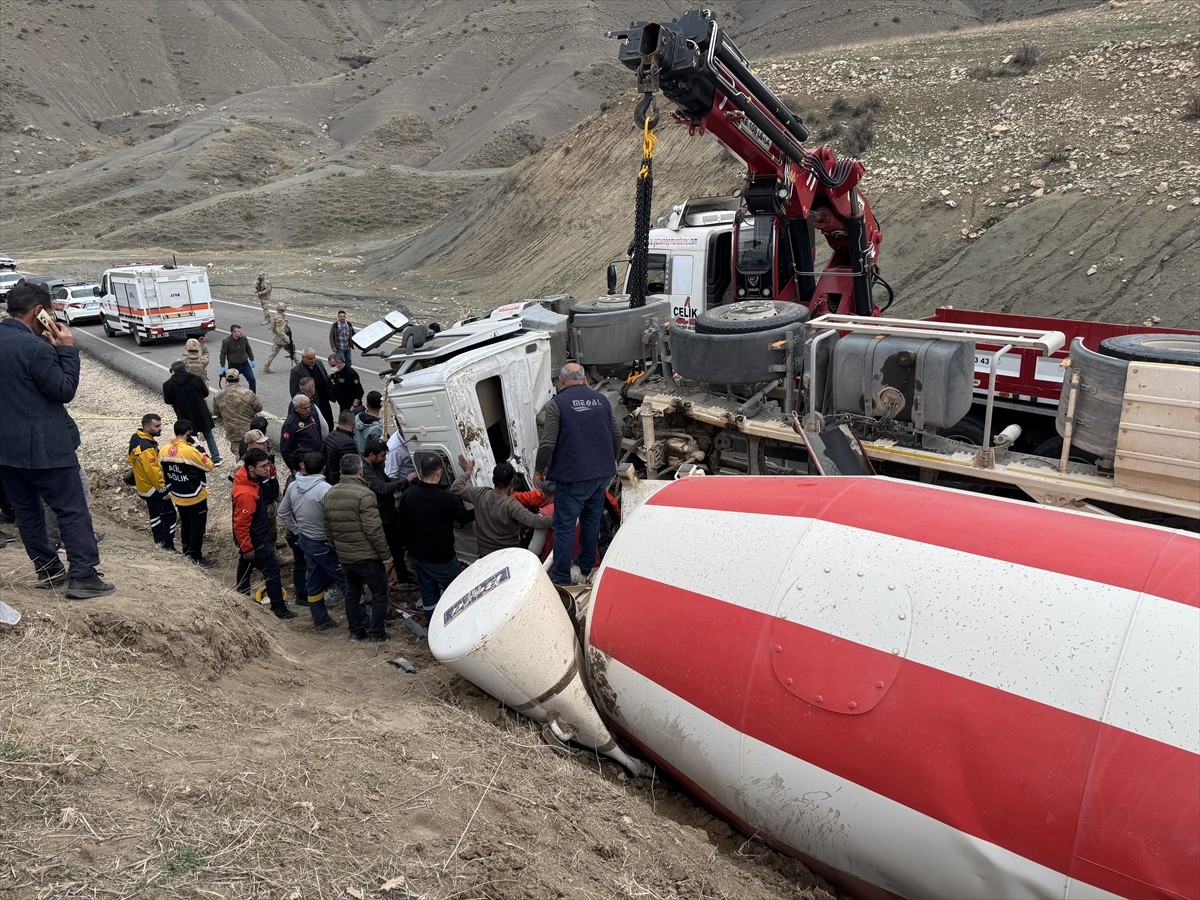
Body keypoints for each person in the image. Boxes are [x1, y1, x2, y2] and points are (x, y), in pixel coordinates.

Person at [0, 280, 113, 598]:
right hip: (46, 448)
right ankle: (83, 575)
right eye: (49, 313)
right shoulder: (36, 349)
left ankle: (48, 571)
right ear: (39, 312)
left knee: (27, 513)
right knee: (71, 508)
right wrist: (65, 350)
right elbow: (64, 389)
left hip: (5, 451)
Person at [534, 363, 622, 587]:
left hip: (573, 478)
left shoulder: (558, 404)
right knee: (591, 520)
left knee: (564, 526)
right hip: (601, 476)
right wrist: (613, 458)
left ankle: (561, 577)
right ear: (583, 379)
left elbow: (547, 443)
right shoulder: (601, 400)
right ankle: (584, 566)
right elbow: (617, 433)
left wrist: (538, 469)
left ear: (562, 381)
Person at [324, 454, 391, 641]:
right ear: (360, 471)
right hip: (367, 557)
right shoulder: (365, 495)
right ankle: (377, 633)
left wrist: (336, 547)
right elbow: (374, 530)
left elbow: (327, 527)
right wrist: (386, 555)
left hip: (345, 557)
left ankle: (355, 631)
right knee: (379, 594)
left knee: (352, 594)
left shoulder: (329, 493)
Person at [398, 454, 473, 622]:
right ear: (439, 473)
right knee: (457, 593)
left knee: (429, 596)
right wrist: (483, 505)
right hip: (442, 559)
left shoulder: (408, 494)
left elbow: (401, 527)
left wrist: (409, 550)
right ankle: (461, 624)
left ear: (421, 472)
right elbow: (464, 518)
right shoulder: (446, 499)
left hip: (419, 557)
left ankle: (433, 625)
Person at [277, 450, 343, 631]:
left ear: (304, 466)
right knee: (345, 579)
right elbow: (336, 520)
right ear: (324, 468)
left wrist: (298, 530)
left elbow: (282, 512)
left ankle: (320, 620)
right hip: (323, 543)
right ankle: (359, 619)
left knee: (314, 581)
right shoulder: (326, 490)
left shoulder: (293, 486)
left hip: (306, 541)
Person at [232, 447, 295, 619]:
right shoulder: (246, 494)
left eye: (267, 465)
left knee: (246, 562)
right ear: (251, 468)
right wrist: (247, 547)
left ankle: (242, 593)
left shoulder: (248, 480)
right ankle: (278, 607)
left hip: (254, 537)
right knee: (272, 568)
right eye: (263, 466)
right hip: (255, 539)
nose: (267, 469)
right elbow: (241, 525)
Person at [452, 455, 551, 558]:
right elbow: (534, 521)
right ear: (512, 482)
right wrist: (559, 519)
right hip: (507, 557)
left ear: (493, 479)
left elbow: (455, 488)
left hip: (485, 556)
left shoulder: (479, 494)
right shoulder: (511, 504)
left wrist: (467, 472)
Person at [160, 419, 217, 568]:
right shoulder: (191, 451)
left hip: (178, 494)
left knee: (185, 524)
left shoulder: (164, 449)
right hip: (195, 495)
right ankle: (196, 557)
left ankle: (187, 552)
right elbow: (209, 466)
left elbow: (163, 471)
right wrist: (199, 447)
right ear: (188, 433)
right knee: (198, 527)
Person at [362, 438, 415, 586]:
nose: (384, 459)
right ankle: (383, 580)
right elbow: (382, 487)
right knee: (387, 548)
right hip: (379, 516)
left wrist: (402, 482)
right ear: (372, 455)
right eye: (382, 456)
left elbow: (387, 480)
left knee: (397, 545)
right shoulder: (365, 471)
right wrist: (405, 481)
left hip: (388, 512)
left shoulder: (376, 465)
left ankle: (403, 574)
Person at [128, 413, 177, 552]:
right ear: (146, 428)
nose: (160, 428)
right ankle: (168, 546)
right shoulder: (147, 447)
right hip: (153, 488)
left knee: (155, 514)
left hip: (143, 486)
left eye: (160, 425)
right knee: (170, 515)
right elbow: (153, 472)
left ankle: (158, 541)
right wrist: (163, 489)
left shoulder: (136, 437)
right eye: (157, 426)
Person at [162, 360, 222, 466]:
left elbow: (168, 400)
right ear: (185, 368)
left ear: (173, 371)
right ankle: (216, 458)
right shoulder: (196, 379)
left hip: (183, 413)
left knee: (191, 438)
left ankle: (197, 459)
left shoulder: (168, 384)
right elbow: (205, 392)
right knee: (208, 434)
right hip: (200, 411)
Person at [210, 368, 263, 460]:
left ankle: (240, 472)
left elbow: (217, 413)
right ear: (239, 378)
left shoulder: (218, 395)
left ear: (226, 379)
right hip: (249, 429)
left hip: (232, 430)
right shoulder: (247, 393)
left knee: (238, 454)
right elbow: (259, 408)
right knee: (255, 454)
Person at [280, 394, 324, 479]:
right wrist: (293, 468)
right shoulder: (290, 424)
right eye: (304, 408)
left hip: (315, 460)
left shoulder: (310, 416)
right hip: (304, 464)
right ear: (296, 408)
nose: (308, 410)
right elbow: (285, 449)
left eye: (309, 407)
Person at [289, 348, 334, 429]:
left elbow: (326, 379)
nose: (313, 360)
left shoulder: (319, 363)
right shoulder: (296, 371)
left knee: (329, 423)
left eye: (314, 357)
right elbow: (294, 392)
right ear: (303, 358)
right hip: (311, 404)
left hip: (324, 401)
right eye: (310, 358)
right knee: (316, 426)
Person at [323, 409, 358, 486]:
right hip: (339, 482)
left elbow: (323, 454)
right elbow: (349, 468)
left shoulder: (331, 434)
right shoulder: (348, 443)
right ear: (354, 423)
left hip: (329, 477)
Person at [219, 324, 257, 393]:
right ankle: (229, 396)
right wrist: (222, 366)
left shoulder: (244, 338)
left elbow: (248, 349)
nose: (241, 332)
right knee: (230, 383)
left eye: (241, 330)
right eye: (239, 331)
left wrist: (252, 359)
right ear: (233, 332)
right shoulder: (226, 341)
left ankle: (253, 396)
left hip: (245, 364)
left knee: (252, 380)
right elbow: (223, 354)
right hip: (233, 366)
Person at [263, 303, 294, 374]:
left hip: (276, 339)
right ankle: (302, 366)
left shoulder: (275, 316)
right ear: (283, 310)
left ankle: (266, 367)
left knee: (273, 353)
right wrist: (287, 340)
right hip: (282, 340)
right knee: (293, 352)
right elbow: (280, 331)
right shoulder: (280, 319)